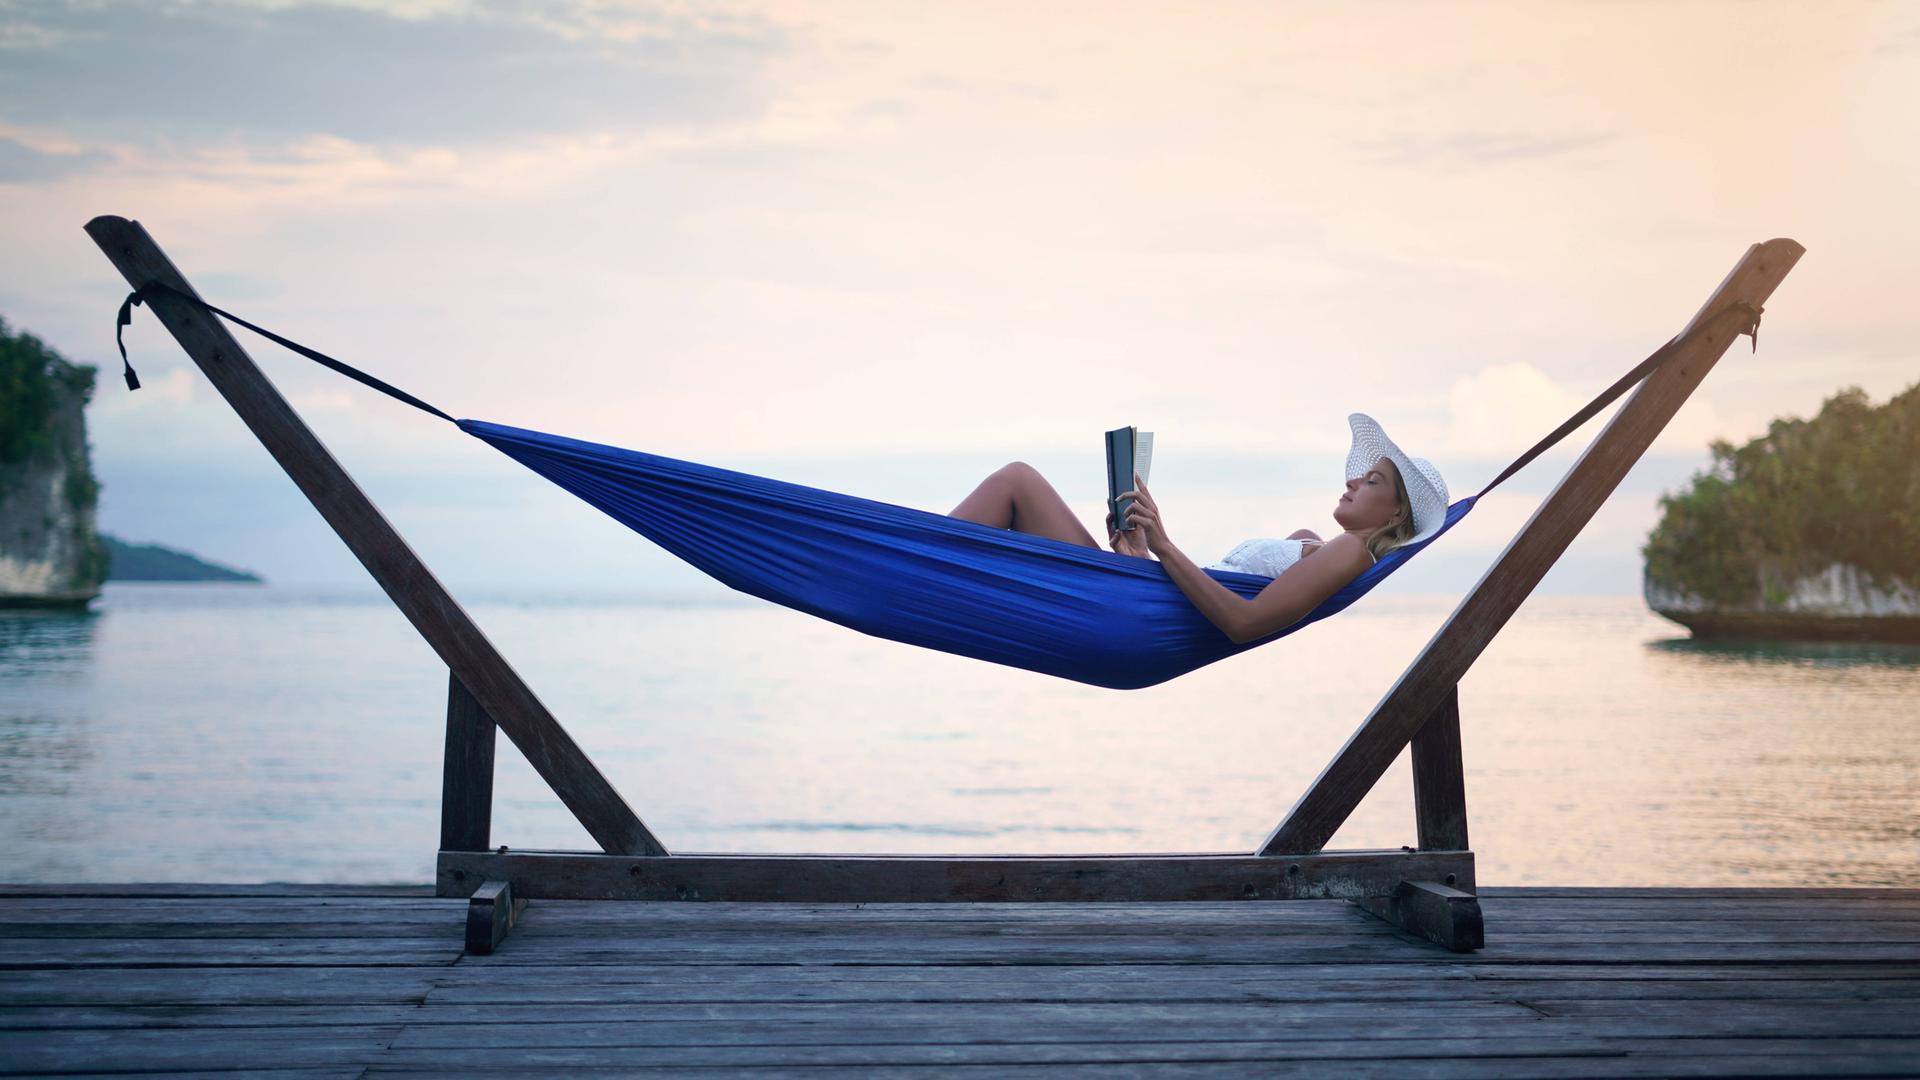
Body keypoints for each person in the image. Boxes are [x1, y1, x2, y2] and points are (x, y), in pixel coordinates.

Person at [948, 413, 1449, 645]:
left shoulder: (1350, 552)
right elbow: (1203, 596)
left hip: (1139, 617)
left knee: (1018, 482)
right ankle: (920, 565)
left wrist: (1163, 545)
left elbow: (1244, 624)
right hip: (1143, 597)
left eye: (1372, 480)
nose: (1351, 480)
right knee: (1017, 486)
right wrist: (1139, 552)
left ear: (1394, 516)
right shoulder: (1314, 546)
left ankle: (915, 563)